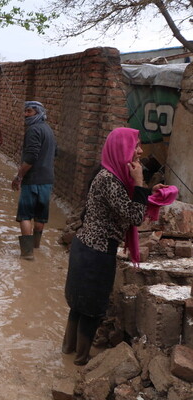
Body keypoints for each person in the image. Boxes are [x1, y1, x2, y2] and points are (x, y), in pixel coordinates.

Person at [61, 127, 167, 365]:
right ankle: (80, 363)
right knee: (91, 310)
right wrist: (140, 183)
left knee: (79, 306)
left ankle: (68, 353)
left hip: (86, 249)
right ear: (122, 149)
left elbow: (125, 204)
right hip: (95, 254)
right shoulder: (109, 180)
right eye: (136, 146)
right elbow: (134, 216)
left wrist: (148, 192)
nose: (140, 151)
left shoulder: (111, 175)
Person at [11, 101, 57, 260]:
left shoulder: (33, 130)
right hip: (47, 179)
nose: (25, 114)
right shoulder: (48, 130)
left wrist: (19, 177)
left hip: (32, 180)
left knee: (25, 215)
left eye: (29, 111)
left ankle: (27, 253)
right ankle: (36, 246)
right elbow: (54, 153)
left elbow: (30, 157)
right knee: (40, 215)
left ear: (38, 112)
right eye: (25, 111)